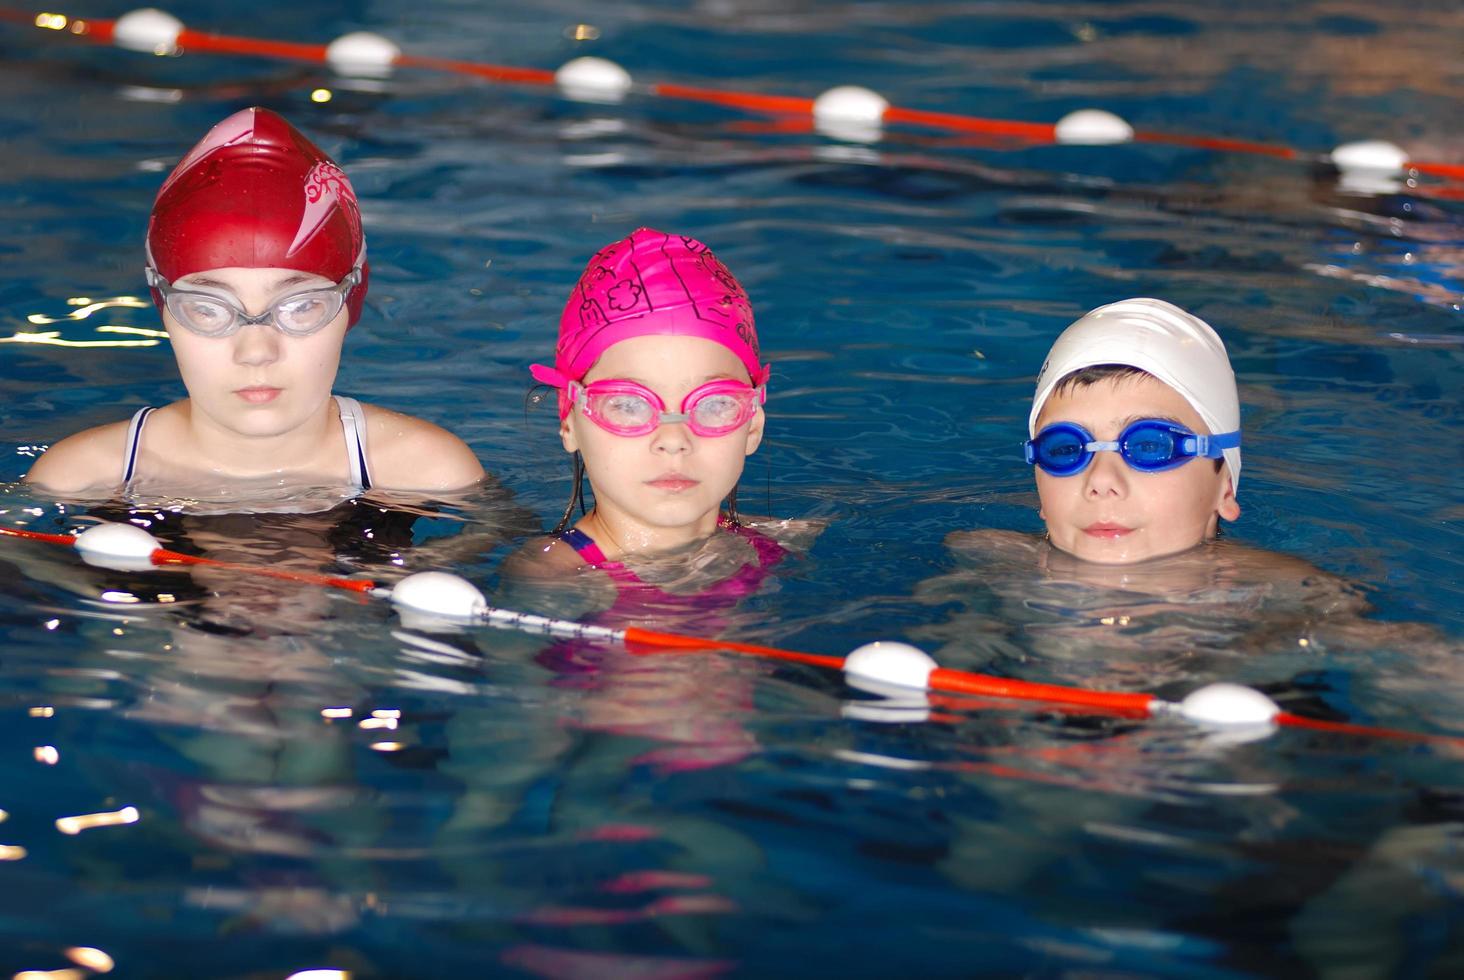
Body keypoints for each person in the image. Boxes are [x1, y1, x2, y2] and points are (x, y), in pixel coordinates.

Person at [24, 106, 483, 499]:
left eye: (300, 306)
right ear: (163, 308)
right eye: (207, 308)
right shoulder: (77, 482)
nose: (257, 351)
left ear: (351, 301)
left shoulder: (431, 476)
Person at [508, 227, 796, 611]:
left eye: (713, 403)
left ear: (753, 424)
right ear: (569, 421)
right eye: (628, 404)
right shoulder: (549, 580)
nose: (673, 438)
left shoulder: (779, 541)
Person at [1022, 298, 1241, 565]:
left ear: (1226, 488)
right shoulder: (986, 569)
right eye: (1065, 449)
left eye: (1149, 446)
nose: (1101, 481)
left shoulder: (1286, 597)